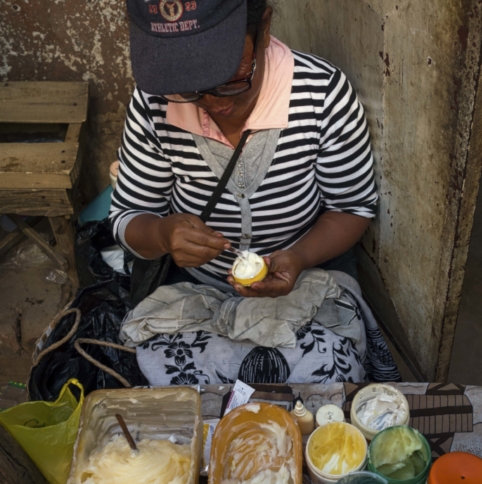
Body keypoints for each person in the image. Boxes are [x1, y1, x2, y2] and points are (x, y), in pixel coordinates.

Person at [110, 0, 399, 385]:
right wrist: (162, 235)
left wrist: (299, 257)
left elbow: (352, 207)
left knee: (322, 383)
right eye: (189, 89)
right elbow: (128, 215)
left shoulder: (321, 93)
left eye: (232, 79)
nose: (215, 104)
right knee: (178, 394)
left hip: (304, 280)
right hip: (198, 289)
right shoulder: (153, 104)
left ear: (264, 27)